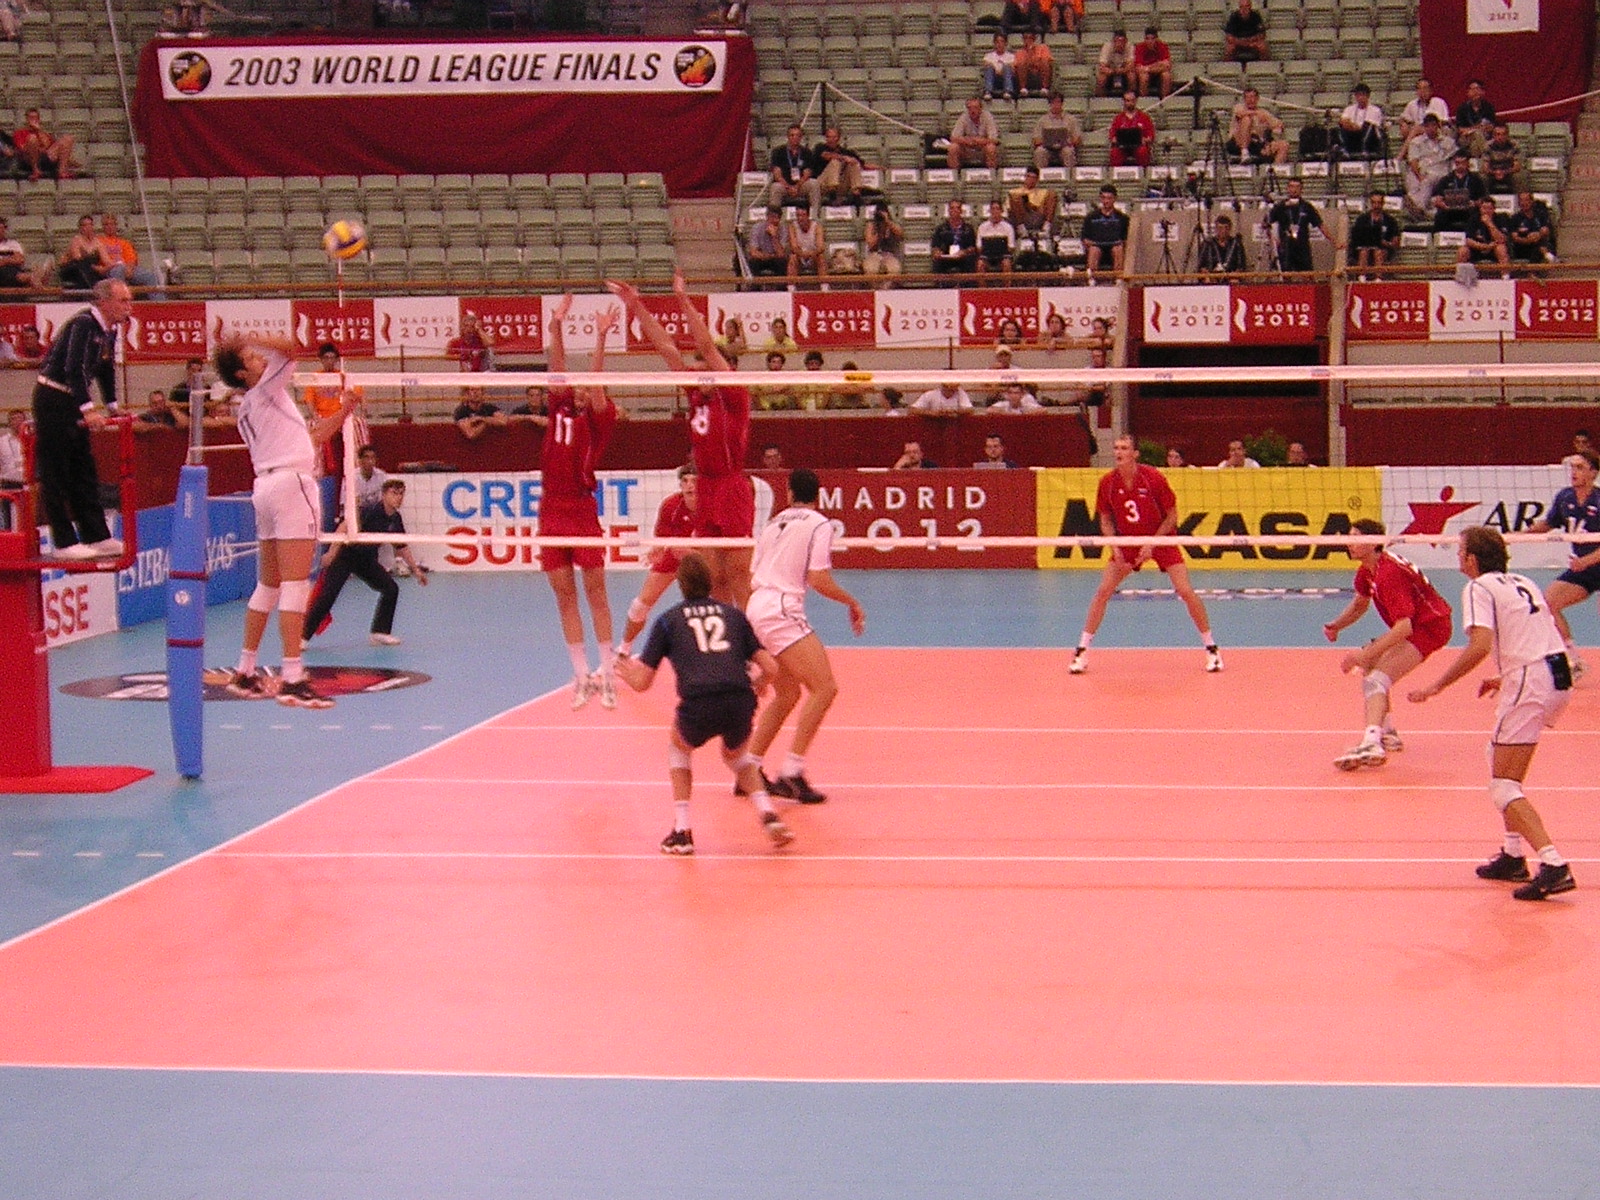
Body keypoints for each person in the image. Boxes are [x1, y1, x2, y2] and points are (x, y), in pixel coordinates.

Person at [1407, 526, 1576, 901]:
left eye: (1460, 551)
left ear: (1471, 559)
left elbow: (1480, 644)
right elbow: (1538, 635)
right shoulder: (1524, 582)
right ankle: (1513, 856)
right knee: (1495, 757)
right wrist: (1506, 676)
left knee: (1504, 786)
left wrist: (1437, 686)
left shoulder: (1478, 588)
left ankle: (1553, 864)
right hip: (1556, 674)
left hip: (1530, 681)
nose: (1457, 557)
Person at [214, 332, 361, 709]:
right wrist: (248, 336)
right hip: (292, 486)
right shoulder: (266, 389)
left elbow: (312, 438)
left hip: (265, 488)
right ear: (242, 373)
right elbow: (289, 347)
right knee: (296, 585)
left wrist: (344, 410)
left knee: (269, 585)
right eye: (251, 357)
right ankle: (293, 678)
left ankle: (245, 671)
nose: (260, 359)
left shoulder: (248, 407)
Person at [617, 552, 792, 855]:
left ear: (680, 585)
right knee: (737, 758)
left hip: (699, 701)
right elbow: (771, 667)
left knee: (678, 749)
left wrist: (624, 670)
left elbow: (642, 683)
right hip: (739, 699)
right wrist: (759, 683)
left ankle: (682, 830)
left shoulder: (668, 621)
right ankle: (768, 813)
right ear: (710, 582)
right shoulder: (734, 616)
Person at [610, 271, 754, 607]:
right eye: (698, 369)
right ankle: (725, 632)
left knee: (738, 574)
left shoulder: (734, 394)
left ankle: (752, 635)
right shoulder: (695, 392)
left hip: (731, 487)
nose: (700, 374)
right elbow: (666, 348)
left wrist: (682, 300)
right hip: (707, 486)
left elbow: (706, 345)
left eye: (707, 369)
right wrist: (636, 306)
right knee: (713, 576)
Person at [743, 468, 866, 804]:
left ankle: (749, 769)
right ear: (817, 495)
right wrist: (852, 602)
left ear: (789, 492)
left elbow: (754, 574)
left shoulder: (772, 524)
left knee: (787, 694)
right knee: (825, 688)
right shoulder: (819, 524)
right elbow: (818, 579)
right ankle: (792, 772)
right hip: (781, 609)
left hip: (757, 606)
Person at [1069, 434, 1223, 675]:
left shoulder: (1153, 478)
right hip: (1129, 542)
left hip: (1161, 540)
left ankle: (1212, 648)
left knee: (1185, 590)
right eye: (1116, 448)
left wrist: (1153, 542)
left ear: (1135, 454)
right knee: (1103, 592)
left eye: (1124, 448)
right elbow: (1105, 519)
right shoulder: (1107, 482)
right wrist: (1114, 546)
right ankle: (1081, 651)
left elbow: (1172, 516)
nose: (1118, 452)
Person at [538, 294, 621, 710]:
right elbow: (557, 366)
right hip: (551, 509)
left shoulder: (600, 420)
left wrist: (602, 338)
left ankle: (608, 675)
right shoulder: (560, 405)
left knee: (596, 593)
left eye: (591, 389)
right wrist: (557, 326)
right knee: (564, 596)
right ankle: (581, 676)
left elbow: (596, 384)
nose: (585, 392)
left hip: (582, 508)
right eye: (581, 388)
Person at [1323, 519, 1454, 770]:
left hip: (1430, 627)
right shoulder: (1368, 570)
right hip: (1418, 624)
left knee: (1375, 679)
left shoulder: (1388, 575)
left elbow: (1404, 627)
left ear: (1373, 543)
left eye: (1356, 538)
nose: (1349, 543)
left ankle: (1371, 743)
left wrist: (1362, 654)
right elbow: (1360, 604)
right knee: (1371, 665)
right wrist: (1336, 626)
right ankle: (1387, 733)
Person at [31, 279, 131, 560]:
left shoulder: (110, 330)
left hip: (74, 400)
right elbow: (73, 367)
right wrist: (87, 409)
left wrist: (112, 406)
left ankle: (96, 535)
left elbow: (106, 368)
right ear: (104, 302)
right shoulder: (83, 324)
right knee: (56, 472)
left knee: (84, 470)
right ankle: (63, 542)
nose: (128, 306)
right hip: (53, 397)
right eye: (123, 301)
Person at [302, 478, 428, 647]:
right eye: (394, 493)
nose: (398, 497)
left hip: (366, 560)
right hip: (345, 556)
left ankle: (380, 632)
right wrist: (331, 553)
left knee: (391, 588)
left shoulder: (395, 519)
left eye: (401, 494)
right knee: (328, 596)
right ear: (384, 495)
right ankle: (302, 637)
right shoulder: (370, 510)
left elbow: (402, 546)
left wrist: (416, 570)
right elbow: (344, 527)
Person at [1526, 449, 1600, 679]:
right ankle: (1573, 660)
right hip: (1584, 569)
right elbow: (1549, 523)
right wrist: (1518, 535)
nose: (1574, 472)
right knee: (1548, 603)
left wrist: (1586, 560)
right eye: (1572, 467)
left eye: (1580, 467)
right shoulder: (1565, 497)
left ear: (1593, 473)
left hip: (1590, 562)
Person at [618, 463, 698, 655]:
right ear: (680, 485)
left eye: (694, 481)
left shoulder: (712, 506)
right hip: (673, 557)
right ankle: (623, 650)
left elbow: (717, 550)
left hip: (701, 561)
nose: (689, 485)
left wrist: (691, 552)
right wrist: (657, 550)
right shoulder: (671, 505)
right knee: (639, 606)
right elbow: (661, 538)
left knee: (716, 606)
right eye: (685, 481)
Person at [1403, 113, 1456, 220]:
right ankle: (1426, 212)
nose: (1431, 129)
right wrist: (1419, 176)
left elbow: (1455, 158)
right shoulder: (1416, 142)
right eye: (1427, 126)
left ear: (1438, 126)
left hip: (1441, 173)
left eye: (1433, 125)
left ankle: (1418, 207)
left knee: (1427, 181)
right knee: (1414, 180)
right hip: (1422, 171)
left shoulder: (1448, 142)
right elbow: (1413, 161)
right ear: (1424, 127)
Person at [1268, 178, 1326, 273]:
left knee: (1307, 275)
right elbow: (1267, 223)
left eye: (1297, 187)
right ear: (1287, 188)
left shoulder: (1307, 207)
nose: (1294, 190)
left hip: (1302, 247)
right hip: (1286, 247)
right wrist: (1274, 239)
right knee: (1286, 275)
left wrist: (1335, 242)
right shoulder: (1280, 207)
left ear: (1301, 189)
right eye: (1291, 186)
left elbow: (1320, 225)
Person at [98, 214, 162, 293]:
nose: (109, 227)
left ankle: (159, 300)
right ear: (103, 227)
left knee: (151, 276)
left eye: (112, 224)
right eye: (106, 224)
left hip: (126, 268)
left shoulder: (124, 243)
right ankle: (121, 297)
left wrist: (129, 268)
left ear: (116, 226)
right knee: (118, 270)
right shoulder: (98, 241)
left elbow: (131, 259)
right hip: (110, 269)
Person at [768, 124, 820, 216]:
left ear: (801, 137)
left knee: (814, 183)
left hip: (801, 185)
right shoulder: (778, 151)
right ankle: (774, 217)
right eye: (792, 135)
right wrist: (788, 187)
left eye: (797, 135)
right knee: (775, 187)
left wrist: (797, 187)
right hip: (784, 185)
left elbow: (807, 173)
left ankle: (815, 216)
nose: (795, 138)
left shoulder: (806, 152)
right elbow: (777, 174)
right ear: (788, 137)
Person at [1228, 88, 1288, 166]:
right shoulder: (1239, 107)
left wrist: (1275, 128)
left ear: (1257, 98)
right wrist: (1256, 113)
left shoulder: (1263, 112)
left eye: (1252, 97)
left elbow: (1279, 124)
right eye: (1248, 97)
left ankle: (1275, 170)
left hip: (1256, 144)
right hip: (1238, 142)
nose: (1250, 100)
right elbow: (1240, 114)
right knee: (1246, 120)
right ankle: (1244, 153)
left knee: (1283, 145)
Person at [1432, 149, 1487, 233]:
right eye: (1457, 163)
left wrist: (1474, 203)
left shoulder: (1476, 179)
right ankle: (1440, 238)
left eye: (1463, 163)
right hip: (1450, 210)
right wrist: (1443, 205)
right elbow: (1438, 199)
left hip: (1468, 209)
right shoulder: (1446, 179)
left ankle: (1471, 238)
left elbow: (1483, 199)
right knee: (1440, 216)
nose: (1460, 165)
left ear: (1468, 163)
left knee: (1476, 215)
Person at [1348, 190, 1401, 277]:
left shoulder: (1390, 220)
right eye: (1374, 203)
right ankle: (1362, 278)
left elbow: (1395, 243)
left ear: (1383, 204)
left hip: (1383, 250)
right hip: (1365, 248)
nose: (1376, 206)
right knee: (1364, 251)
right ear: (1370, 203)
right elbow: (1355, 239)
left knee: (1378, 252)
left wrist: (1385, 243)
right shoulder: (1362, 219)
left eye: (1379, 203)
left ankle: (1378, 278)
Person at [13, 108, 76, 181]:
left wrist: (38, 131)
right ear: (27, 119)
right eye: (31, 118)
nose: (33, 120)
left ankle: (62, 171)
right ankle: (35, 170)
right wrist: (37, 148)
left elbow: (48, 146)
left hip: (45, 158)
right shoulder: (19, 133)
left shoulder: (43, 133)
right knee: (32, 138)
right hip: (29, 160)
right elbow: (23, 149)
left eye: (36, 118)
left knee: (68, 138)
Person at [1082, 186, 1130, 275]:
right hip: (1097, 247)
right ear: (1100, 198)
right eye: (1103, 198)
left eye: (1109, 198)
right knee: (1094, 250)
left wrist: (1122, 243)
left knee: (1118, 249)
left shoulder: (1122, 218)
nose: (1106, 201)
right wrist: (1090, 243)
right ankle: (1092, 279)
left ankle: (1118, 278)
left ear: (1115, 199)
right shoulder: (1091, 217)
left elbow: (1126, 239)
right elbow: (1085, 238)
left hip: (1115, 248)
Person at [812, 125, 865, 205]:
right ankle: (832, 193)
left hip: (840, 185)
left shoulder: (845, 151)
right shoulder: (820, 147)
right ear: (826, 138)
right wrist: (844, 158)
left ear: (838, 138)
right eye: (829, 137)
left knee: (853, 164)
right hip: (822, 184)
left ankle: (856, 194)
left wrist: (882, 168)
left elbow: (862, 164)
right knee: (835, 162)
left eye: (834, 137)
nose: (831, 140)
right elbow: (826, 155)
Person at [1031, 92, 1081, 172]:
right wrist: (1047, 141)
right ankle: (1040, 176)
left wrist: (1068, 142)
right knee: (1040, 152)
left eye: (1058, 102)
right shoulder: (1042, 120)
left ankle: (1070, 175)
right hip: (1047, 149)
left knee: (1068, 152)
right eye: (1053, 102)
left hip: (1064, 147)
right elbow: (1036, 140)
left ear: (1062, 103)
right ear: (1050, 104)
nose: (1056, 105)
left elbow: (1077, 139)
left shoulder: (1071, 119)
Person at [948, 97, 1001, 171]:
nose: (972, 111)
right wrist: (967, 140)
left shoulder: (987, 117)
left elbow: (994, 140)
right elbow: (953, 138)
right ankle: (954, 174)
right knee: (953, 147)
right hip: (967, 149)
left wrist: (980, 141)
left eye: (975, 108)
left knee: (991, 148)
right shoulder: (964, 117)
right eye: (969, 108)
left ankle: (992, 174)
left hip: (983, 149)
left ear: (981, 109)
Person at [57, 215, 110, 291]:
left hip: (90, 271)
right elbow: (77, 258)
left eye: (90, 225)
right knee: (83, 265)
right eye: (85, 225)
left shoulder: (97, 243)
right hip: (73, 270)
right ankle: (92, 289)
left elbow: (106, 260)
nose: (88, 228)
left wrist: (111, 266)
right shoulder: (76, 240)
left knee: (104, 274)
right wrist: (96, 268)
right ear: (80, 228)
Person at [1459, 197, 1510, 271]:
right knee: (1462, 251)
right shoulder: (1473, 219)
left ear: (1494, 209)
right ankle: (1460, 276)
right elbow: (1468, 240)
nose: (1486, 211)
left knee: (1501, 249)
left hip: (1494, 249)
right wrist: (1485, 247)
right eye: (1484, 208)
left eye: (1489, 208)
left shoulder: (1501, 218)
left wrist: (1489, 224)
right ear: (1480, 209)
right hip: (1477, 249)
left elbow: (1502, 239)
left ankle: (1505, 276)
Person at [931, 198, 979, 276]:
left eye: (957, 208)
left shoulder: (968, 229)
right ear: (949, 211)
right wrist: (937, 252)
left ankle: (968, 283)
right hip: (946, 257)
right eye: (952, 208)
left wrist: (964, 252)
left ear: (961, 211)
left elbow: (973, 248)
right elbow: (935, 246)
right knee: (937, 262)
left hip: (963, 258)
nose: (955, 210)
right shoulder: (941, 229)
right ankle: (939, 284)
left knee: (970, 261)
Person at [1507, 191, 1556, 265]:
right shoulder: (1515, 218)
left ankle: (1532, 270)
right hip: (1523, 248)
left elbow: (1546, 230)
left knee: (1540, 246)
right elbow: (1515, 238)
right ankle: (1549, 257)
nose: (1524, 203)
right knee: (1540, 247)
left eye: (1526, 200)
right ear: (1519, 203)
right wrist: (1528, 240)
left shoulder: (1540, 215)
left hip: (1539, 243)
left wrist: (1538, 235)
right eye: (1521, 200)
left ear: (1531, 201)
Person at [1338, 84, 1385, 161]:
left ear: (1368, 96)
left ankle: (1365, 150)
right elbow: (1343, 121)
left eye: (1363, 95)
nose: (1360, 98)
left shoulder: (1375, 110)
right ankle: (1345, 150)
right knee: (1341, 127)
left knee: (1368, 126)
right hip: (1352, 135)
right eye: (1358, 95)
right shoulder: (1349, 109)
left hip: (1369, 138)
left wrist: (1353, 125)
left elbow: (1370, 126)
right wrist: (1351, 126)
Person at [1399, 78, 1450, 148]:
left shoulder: (1438, 102)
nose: (1422, 91)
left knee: (1416, 129)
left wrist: (1422, 127)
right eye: (1419, 89)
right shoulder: (1412, 104)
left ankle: (1401, 154)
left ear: (1431, 91)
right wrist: (1404, 123)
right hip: (1417, 133)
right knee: (1406, 128)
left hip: (1435, 131)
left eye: (1425, 88)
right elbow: (1403, 118)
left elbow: (1443, 121)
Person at [1108, 91, 1154, 167]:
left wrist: (1144, 140)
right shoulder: (1118, 118)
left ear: (1136, 101)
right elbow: (1112, 137)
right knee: (1115, 152)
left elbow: (1150, 136)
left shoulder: (1144, 117)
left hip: (1139, 146)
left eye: (1132, 100)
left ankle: (1144, 171)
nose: (1130, 103)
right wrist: (1116, 139)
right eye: (1127, 101)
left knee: (1142, 151)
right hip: (1122, 146)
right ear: (1124, 101)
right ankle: (1116, 172)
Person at [745, 207, 791, 281]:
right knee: (753, 262)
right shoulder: (757, 228)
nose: (774, 220)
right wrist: (766, 256)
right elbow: (753, 252)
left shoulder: (783, 229)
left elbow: (781, 254)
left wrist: (774, 236)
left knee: (782, 262)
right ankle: (755, 286)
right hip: (762, 257)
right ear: (767, 217)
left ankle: (780, 287)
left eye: (777, 218)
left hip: (776, 259)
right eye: (772, 217)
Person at [1454, 79, 1496, 158]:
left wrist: (1482, 129)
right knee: (1476, 134)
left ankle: (1479, 160)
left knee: (1475, 145)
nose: (1475, 92)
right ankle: (1487, 157)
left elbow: (1491, 127)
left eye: (1478, 89)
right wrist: (1476, 129)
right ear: (1468, 93)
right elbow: (1460, 129)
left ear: (1483, 92)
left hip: (1483, 137)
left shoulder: (1488, 107)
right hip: (1466, 138)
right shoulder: (1462, 108)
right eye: (1472, 89)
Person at [862, 203, 904, 279]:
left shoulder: (892, 224)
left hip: (890, 254)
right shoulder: (871, 225)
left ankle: (888, 287)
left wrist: (887, 222)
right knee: (871, 269)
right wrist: (879, 231)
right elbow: (871, 244)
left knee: (894, 270)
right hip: (874, 254)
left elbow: (901, 234)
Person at [1481, 123, 1524, 194]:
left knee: (1519, 176)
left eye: (1503, 134)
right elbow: (1485, 167)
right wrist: (1495, 172)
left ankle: (1519, 198)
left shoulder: (1514, 145)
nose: (1500, 137)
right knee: (1483, 177)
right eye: (1498, 134)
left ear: (1507, 135)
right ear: (1493, 136)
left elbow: (1517, 167)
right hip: (1492, 173)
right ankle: (1485, 199)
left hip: (1509, 173)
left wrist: (1504, 172)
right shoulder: (1488, 146)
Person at [976, 200, 1015, 275]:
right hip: (987, 257)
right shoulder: (982, 227)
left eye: (997, 209)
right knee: (980, 264)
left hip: (1003, 257)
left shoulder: (1008, 227)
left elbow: (1011, 247)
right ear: (990, 211)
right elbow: (979, 247)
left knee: (1006, 264)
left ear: (1001, 211)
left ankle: (1007, 283)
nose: (995, 211)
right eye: (993, 209)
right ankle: (981, 283)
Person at [1133, 26, 1172, 98]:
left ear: (1156, 39)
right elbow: (1138, 68)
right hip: (1146, 74)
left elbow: (1167, 66)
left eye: (1152, 39)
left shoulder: (1163, 46)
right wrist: (1157, 64)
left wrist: (1147, 68)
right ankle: (1143, 100)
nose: (1150, 41)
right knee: (1144, 77)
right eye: (1147, 39)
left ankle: (1164, 100)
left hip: (1157, 74)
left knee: (1166, 75)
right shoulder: (1139, 47)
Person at [787, 208, 827, 279]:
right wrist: (802, 254)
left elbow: (821, 247)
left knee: (821, 258)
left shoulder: (817, 226)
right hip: (799, 256)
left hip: (813, 256)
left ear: (808, 216)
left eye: (803, 215)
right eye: (798, 215)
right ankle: (791, 285)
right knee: (793, 258)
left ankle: (824, 284)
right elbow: (793, 247)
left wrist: (810, 254)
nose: (800, 218)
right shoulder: (792, 227)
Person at [1013, 30, 1053, 97]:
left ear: (1034, 39)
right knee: (1021, 64)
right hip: (1027, 77)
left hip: (1040, 75)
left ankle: (1045, 88)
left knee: (1044, 62)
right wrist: (1029, 55)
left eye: (1030, 38)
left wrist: (1032, 62)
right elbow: (1018, 66)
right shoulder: (1019, 52)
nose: (1028, 40)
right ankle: (1023, 89)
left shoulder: (1043, 48)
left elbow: (1046, 61)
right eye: (1026, 38)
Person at [0, 216, 35, 288]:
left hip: (12, 269)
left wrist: (5, 261)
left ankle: (30, 278)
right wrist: (11, 259)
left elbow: (20, 259)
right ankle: (29, 278)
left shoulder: (13, 244)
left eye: (2, 229)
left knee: (11, 270)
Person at [981, 32, 1018, 101]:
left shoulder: (1011, 56)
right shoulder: (988, 56)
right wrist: (998, 70)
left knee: (1007, 68)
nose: (999, 44)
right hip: (993, 79)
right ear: (994, 43)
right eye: (997, 42)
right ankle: (988, 92)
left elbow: (1013, 68)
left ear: (1006, 43)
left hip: (1006, 78)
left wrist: (1001, 70)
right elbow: (986, 64)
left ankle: (1008, 91)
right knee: (989, 68)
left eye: (1002, 41)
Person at [1096, 30, 1133, 97]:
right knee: (1101, 78)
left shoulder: (1130, 46)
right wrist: (1112, 71)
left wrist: (1122, 70)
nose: (1119, 44)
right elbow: (1102, 66)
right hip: (1110, 71)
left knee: (1132, 76)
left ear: (1126, 41)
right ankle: (1101, 99)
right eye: (1117, 41)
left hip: (1124, 72)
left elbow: (1130, 65)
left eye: (1122, 41)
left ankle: (1131, 98)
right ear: (1113, 41)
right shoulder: (1107, 47)